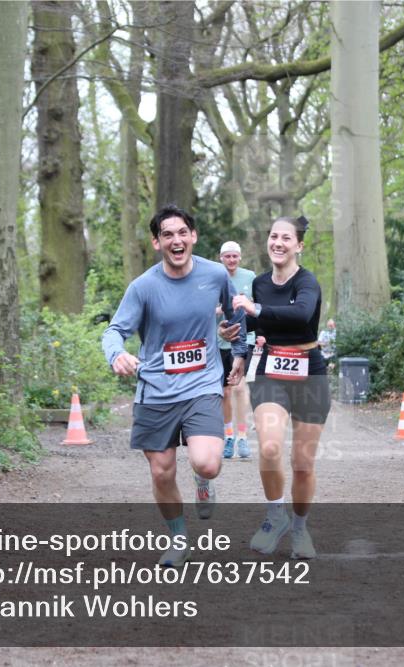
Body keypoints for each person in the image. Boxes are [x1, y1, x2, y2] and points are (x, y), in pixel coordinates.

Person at [102, 204, 247, 567]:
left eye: (183, 232)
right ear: (157, 242)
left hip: (202, 386)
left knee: (208, 463)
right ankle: (179, 538)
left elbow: (235, 314)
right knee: (161, 471)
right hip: (157, 390)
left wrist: (237, 344)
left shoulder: (215, 275)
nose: (176, 240)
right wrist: (116, 354)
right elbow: (114, 331)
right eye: (167, 234)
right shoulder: (144, 287)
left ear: (193, 237)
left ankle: (202, 480)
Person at [220, 215, 330, 560]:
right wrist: (233, 333)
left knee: (302, 463)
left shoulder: (307, 282)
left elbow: (300, 314)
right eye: (273, 236)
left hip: (310, 372)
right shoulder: (261, 283)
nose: (278, 243)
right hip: (270, 371)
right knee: (268, 449)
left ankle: (299, 529)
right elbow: (251, 322)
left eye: (286, 238)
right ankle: (274, 516)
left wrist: (257, 308)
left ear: (298, 245)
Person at [216, 241, 256, 460]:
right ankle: (228, 435)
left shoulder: (250, 276)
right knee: (225, 391)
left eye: (234, 256)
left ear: (240, 257)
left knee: (239, 388)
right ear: (221, 258)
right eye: (227, 256)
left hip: (244, 338)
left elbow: (257, 306)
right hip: (219, 340)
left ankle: (242, 437)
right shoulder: (213, 276)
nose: (231, 260)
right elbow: (207, 309)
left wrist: (261, 332)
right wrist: (224, 308)